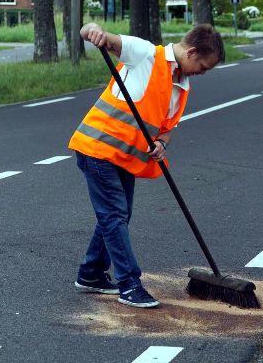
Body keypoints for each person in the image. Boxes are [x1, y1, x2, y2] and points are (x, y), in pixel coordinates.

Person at [69, 22, 225, 308]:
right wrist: (92, 31)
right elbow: (104, 38)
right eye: (203, 66)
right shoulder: (145, 54)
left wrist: (162, 144)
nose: (202, 73)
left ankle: (91, 274)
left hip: (126, 158)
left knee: (118, 215)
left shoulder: (182, 84)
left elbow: (167, 127)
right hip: (98, 148)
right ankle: (129, 285)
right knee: (114, 215)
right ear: (191, 51)